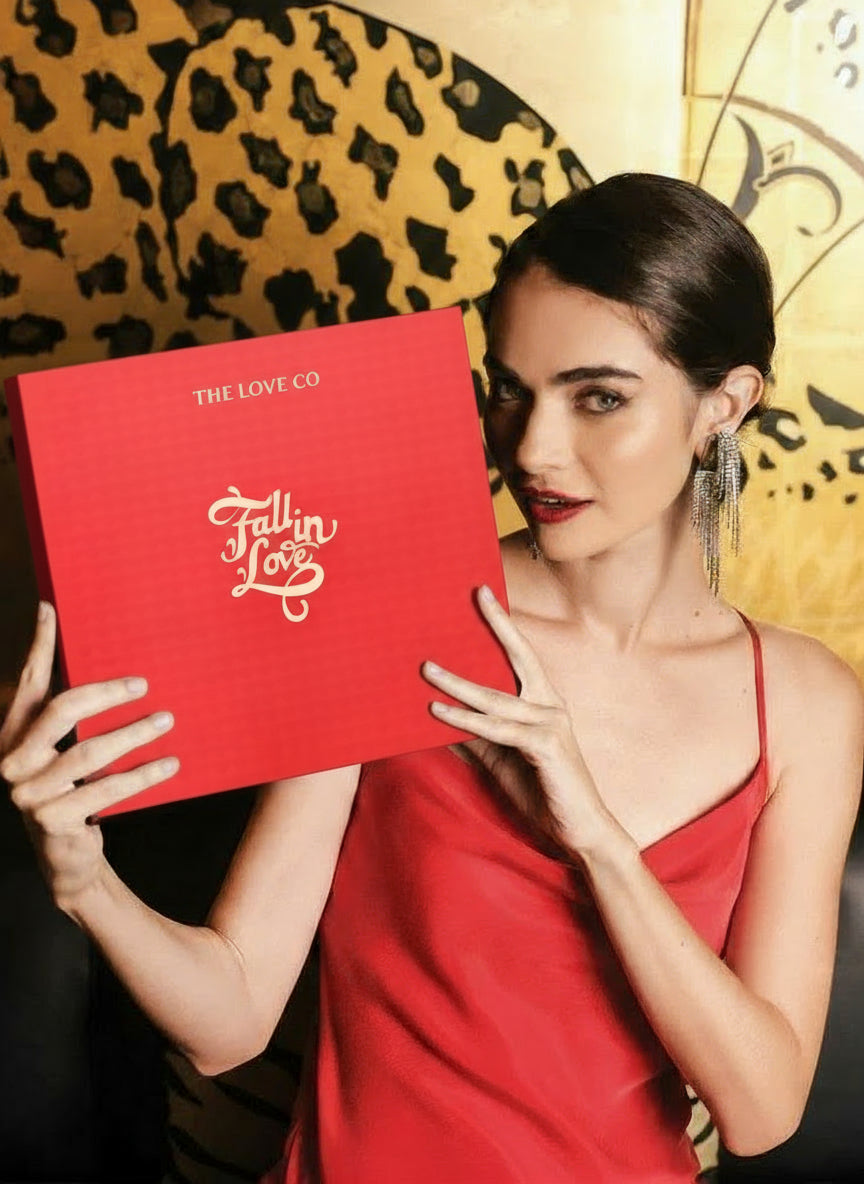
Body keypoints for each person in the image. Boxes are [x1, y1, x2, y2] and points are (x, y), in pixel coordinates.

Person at [2, 173, 863, 1184]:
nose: (533, 447)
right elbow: (230, 1018)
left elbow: (762, 1111)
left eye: (599, 397)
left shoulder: (805, 701)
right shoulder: (395, 607)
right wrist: (86, 881)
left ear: (725, 402)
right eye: (509, 389)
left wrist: (595, 836)